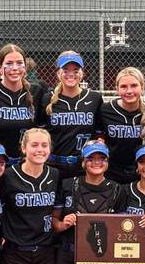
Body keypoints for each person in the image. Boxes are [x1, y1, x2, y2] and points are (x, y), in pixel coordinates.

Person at [52, 140, 126, 264]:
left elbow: (121, 231)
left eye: (101, 158)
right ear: (83, 162)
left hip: (100, 260)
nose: (96, 162)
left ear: (108, 161)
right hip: (70, 255)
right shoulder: (68, 184)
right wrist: (63, 223)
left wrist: (113, 262)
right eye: (91, 158)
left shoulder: (118, 190)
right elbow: (54, 223)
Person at [0, 128, 60, 264]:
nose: (39, 149)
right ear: (23, 148)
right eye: (34, 145)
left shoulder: (54, 174)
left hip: (44, 253)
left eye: (44, 145)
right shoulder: (7, 176)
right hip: (15, 252)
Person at [0, 43, 43, 164]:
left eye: (19, 63)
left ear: (25, 66)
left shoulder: (36, 91)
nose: (14, 68)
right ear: (0, 68)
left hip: (25, 164)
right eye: (9, 64)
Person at [42, 51, 103, 181]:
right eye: (65, 70)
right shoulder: (48, 99)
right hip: (54, 165)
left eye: (76, 70)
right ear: (58, 73)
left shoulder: (94, 98)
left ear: (82, 73)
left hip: (84, 166)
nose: (71, 74)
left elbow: (99, 133)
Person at [101, 67, 145, 184]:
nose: (129, 91)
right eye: (124, 86)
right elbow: (99, 139)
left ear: (142, 86)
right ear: (117, 89)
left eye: (134, 86)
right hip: (111, 172)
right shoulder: (105, 110)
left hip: (142, 172)